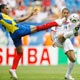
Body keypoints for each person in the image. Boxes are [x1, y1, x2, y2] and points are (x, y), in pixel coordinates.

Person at [0, 4, 66, 80]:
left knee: (20, 52)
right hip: (17, 29)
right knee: (39, 28)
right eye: (6, 8)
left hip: (13, 34)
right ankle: (57, 23)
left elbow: (18, 20)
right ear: (2, 9)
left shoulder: (6, 17)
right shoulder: (1, 15)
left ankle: (13, 69)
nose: (8, 9)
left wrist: (30, 15)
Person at [50, 8, 80, 80]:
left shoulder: (71, 22)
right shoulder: (57, 21)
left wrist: (76, 32)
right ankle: (75, 29)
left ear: (69, 14)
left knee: (73, 59)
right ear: (62, 13)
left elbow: (76, 35)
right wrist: (53, 40)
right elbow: (52, 32)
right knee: (62, 34)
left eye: (67, 13)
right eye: (64, 13)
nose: (65, 14)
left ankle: (67, 75)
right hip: (58, 39)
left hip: (66, 40)